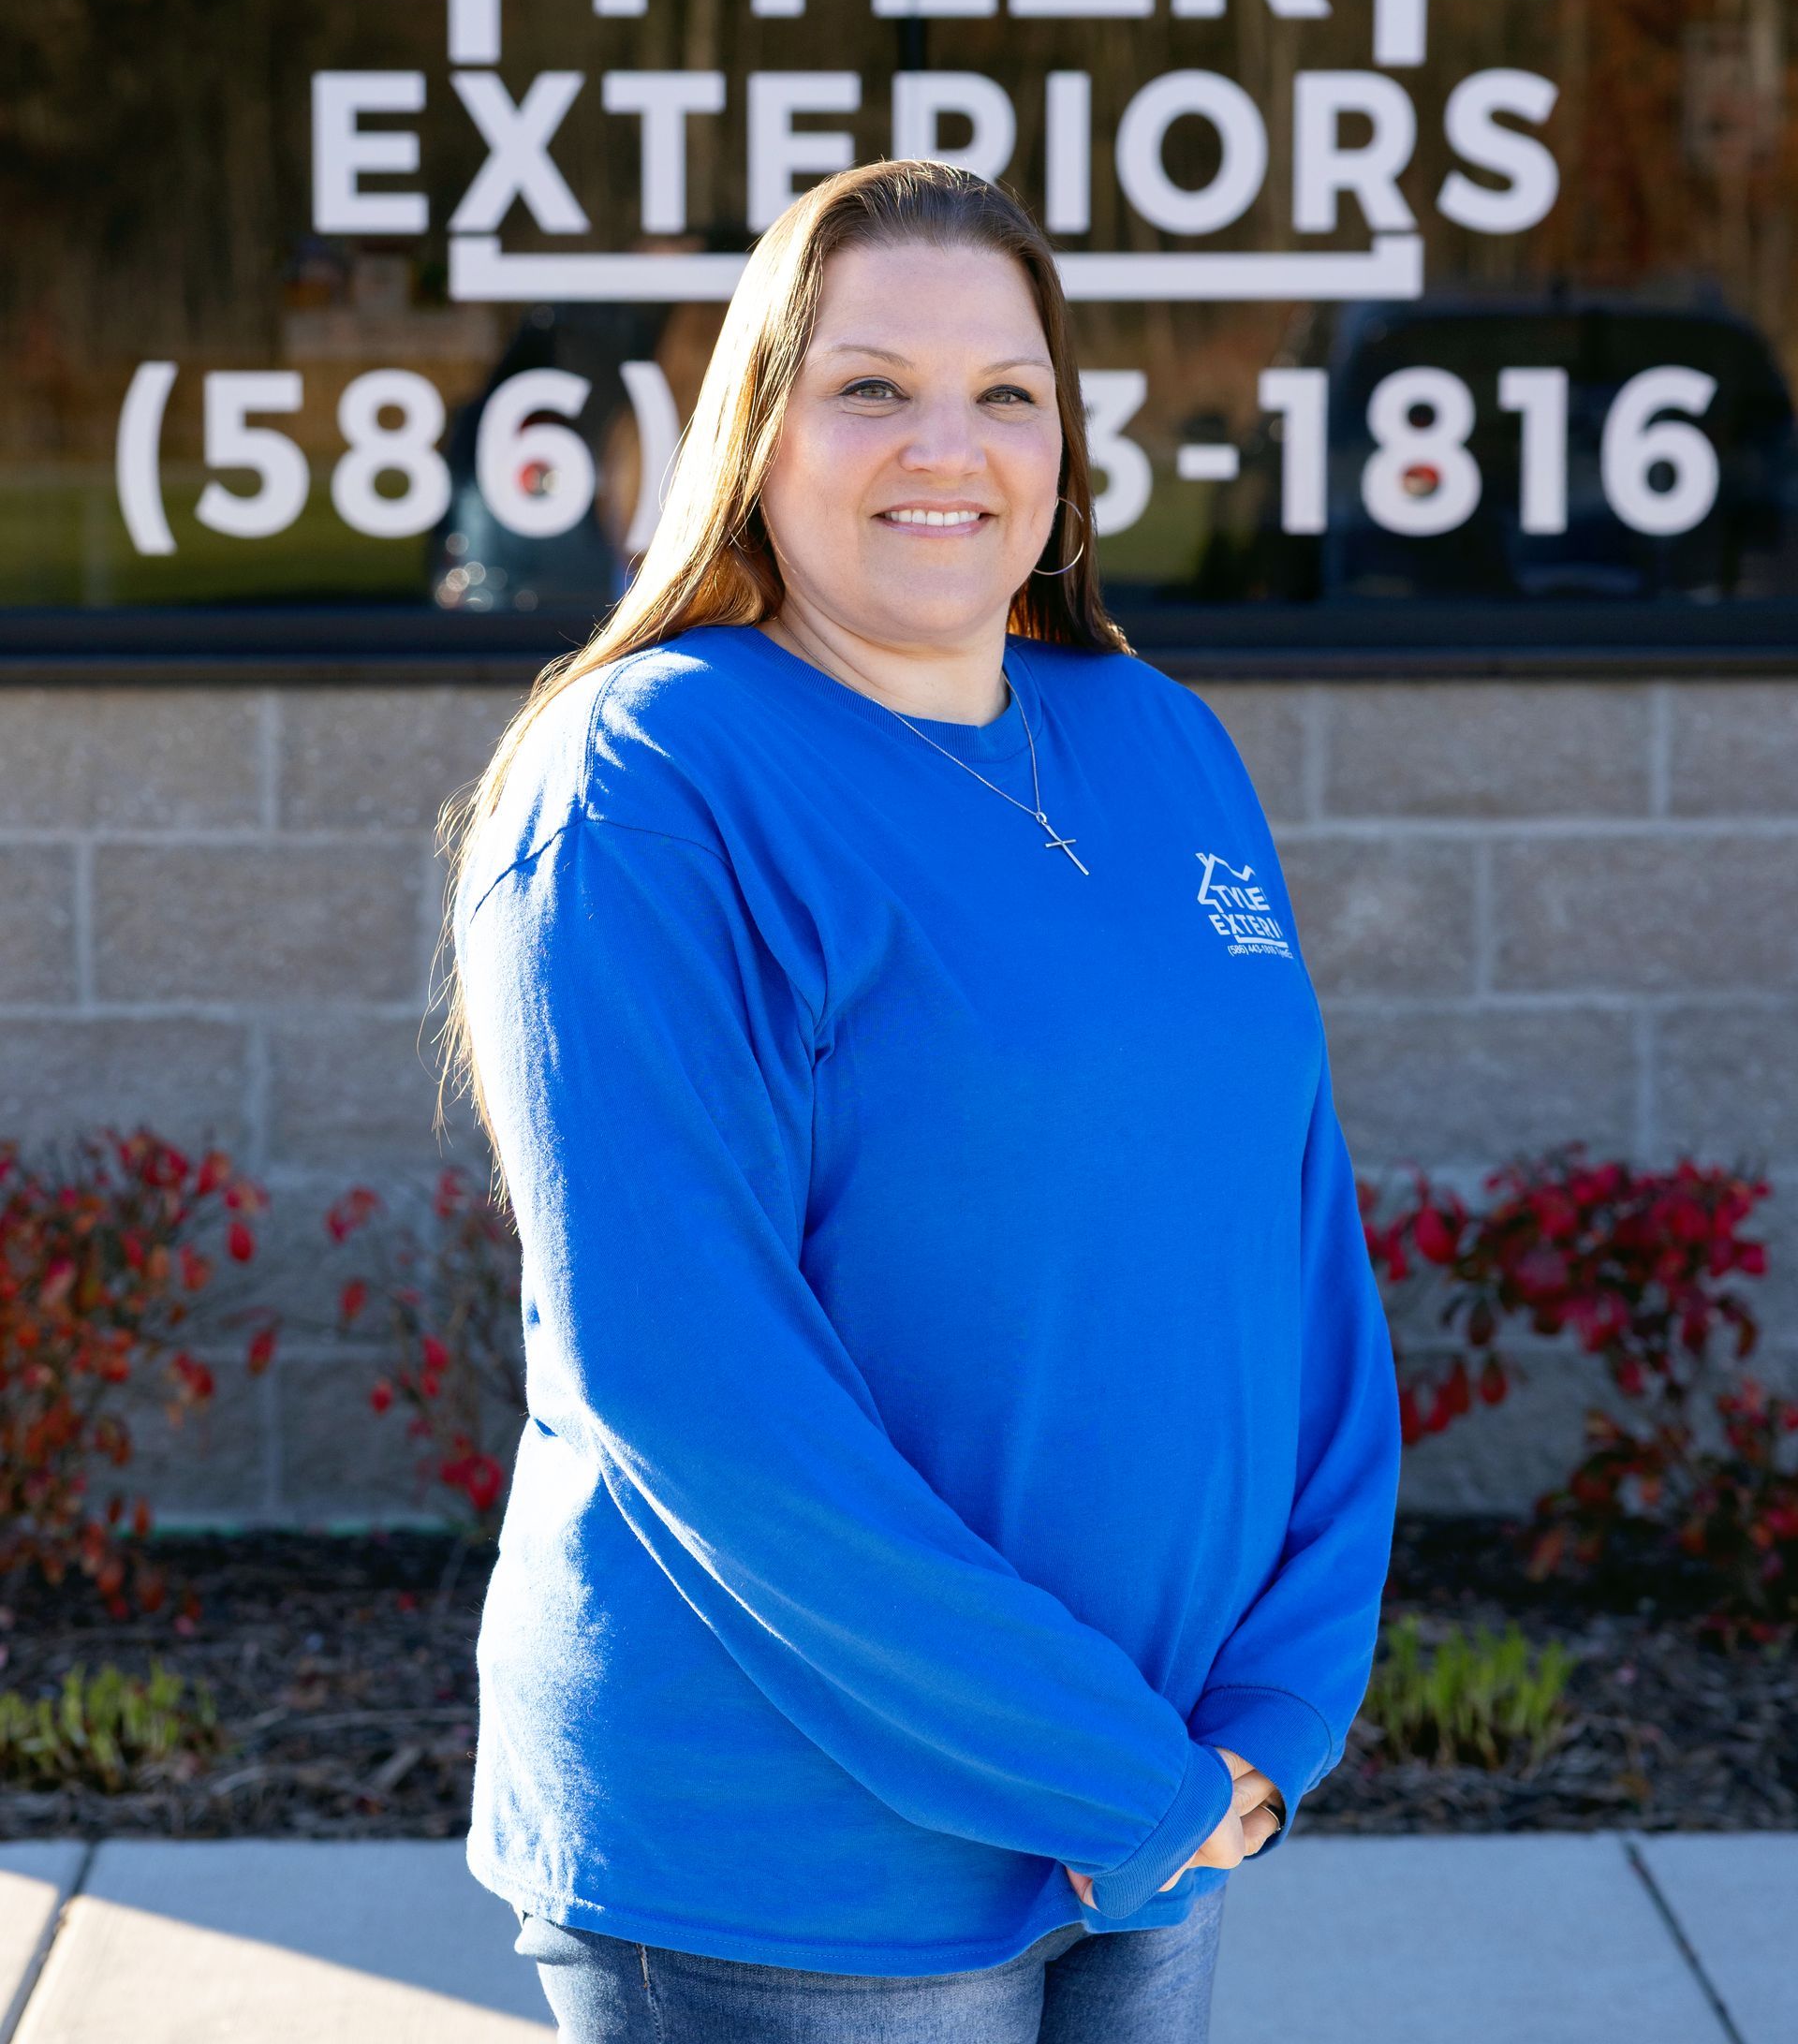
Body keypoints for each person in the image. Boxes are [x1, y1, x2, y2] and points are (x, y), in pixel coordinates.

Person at [436, 158, 1403, 2042]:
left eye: (1006, 392)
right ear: (758, 426)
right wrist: (1125, 1787)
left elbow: (1297, 1252)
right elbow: (686, 1379)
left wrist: (1274, 1720)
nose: (943, 445)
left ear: (1064, 445)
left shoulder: (1156, 738)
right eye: (869, 383)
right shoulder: (646, 784)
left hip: (1168, 1807)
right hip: (794, 1873)